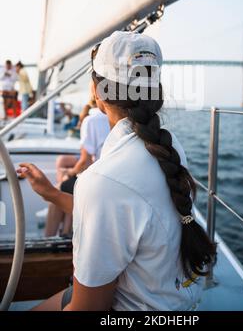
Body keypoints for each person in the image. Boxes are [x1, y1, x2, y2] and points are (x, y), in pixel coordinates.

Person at [18, 31, 216, 311]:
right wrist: (51, 194)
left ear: (97, 93)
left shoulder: (102, 181)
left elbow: (89, 308)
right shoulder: (170, 148)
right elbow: (124, 214)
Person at [45, 100, 110, 237]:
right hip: (107, 176)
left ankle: (49, 240)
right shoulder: (117, 120)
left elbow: (85, 162)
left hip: (100, 180)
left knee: (58, 192)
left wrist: (70, 172)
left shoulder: (91, 121)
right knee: (68, 183)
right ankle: (66, 230)